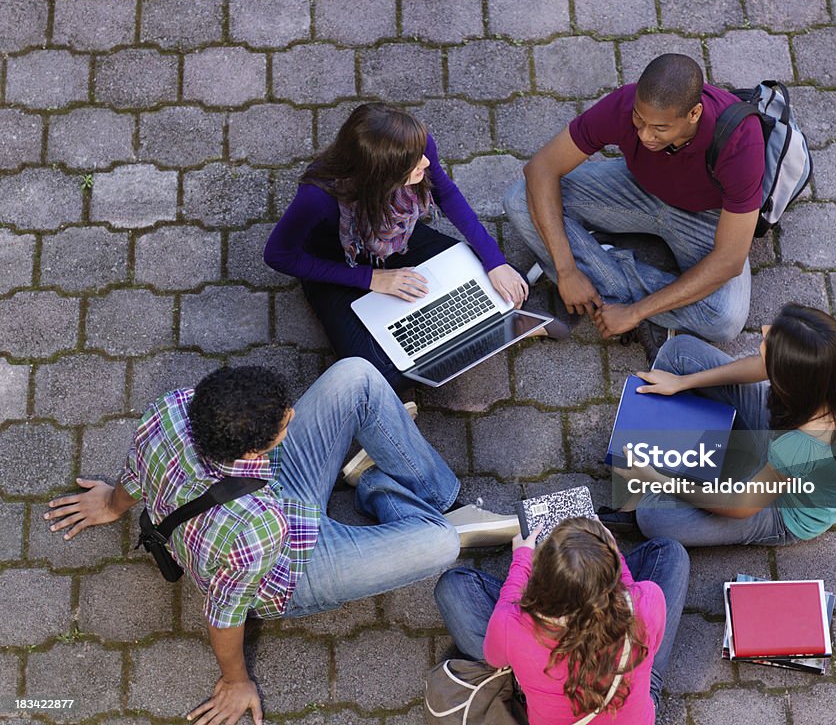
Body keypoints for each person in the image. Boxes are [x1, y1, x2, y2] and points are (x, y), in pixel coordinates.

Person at [44, 358, 517, 725]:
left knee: (356, 376)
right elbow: (224, 613)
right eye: (284, 426)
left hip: (267, 489)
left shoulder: (172, 410)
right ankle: (380, 487)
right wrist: (236, 680)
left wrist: (112, 504)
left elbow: (140, 472)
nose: (293, 416)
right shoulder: (252, 531)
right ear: (253, 448)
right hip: (290, 569)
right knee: (440, 545)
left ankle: (439, 495)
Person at [265, 103, 561, 391]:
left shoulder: (415, 146)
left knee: (512, 282)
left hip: (398, 241)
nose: (427, 162)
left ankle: (494, 330)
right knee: (372, 374)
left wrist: (494, 260)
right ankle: (497, 330)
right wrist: (371, 279)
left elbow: (446, 192)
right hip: (339, 264)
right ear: (380, 174)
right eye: (414, 164)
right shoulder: (317, 198)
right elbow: (279, 256)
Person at [504, 53, 765, 353]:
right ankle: (601, 276)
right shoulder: (626, 103)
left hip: (705, 216)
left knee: (725, 319)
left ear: (693, 114)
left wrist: (636, 312)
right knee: (519, 199)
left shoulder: (741, 142)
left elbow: (729, 260)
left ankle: (603, 268)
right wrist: (566, 270)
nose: (644, 135)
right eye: (639, 120)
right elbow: (541, 168)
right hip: (639, 188)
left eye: (659, 128)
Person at [606, 304, 836, 547]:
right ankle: (704, 450)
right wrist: (683, 382)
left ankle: (654, 478)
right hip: (781, 443)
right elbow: (761, 366)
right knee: (680, 352)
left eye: (769, 344)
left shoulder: (805, 444)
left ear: (789, 382)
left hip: (781, 507)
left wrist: (658, 479)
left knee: (653, 517)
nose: (764, 329)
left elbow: (739, 506)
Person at [434, 518, 688, 724]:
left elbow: (493, 657)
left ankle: (522, 683)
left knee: (452, 587)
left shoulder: (512, 624)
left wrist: (521, 559)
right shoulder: (646, 602)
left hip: (539, 681)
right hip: (633, 697)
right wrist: (611, 553)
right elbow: (639, 613)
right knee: (670, 552)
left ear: (541, 577)